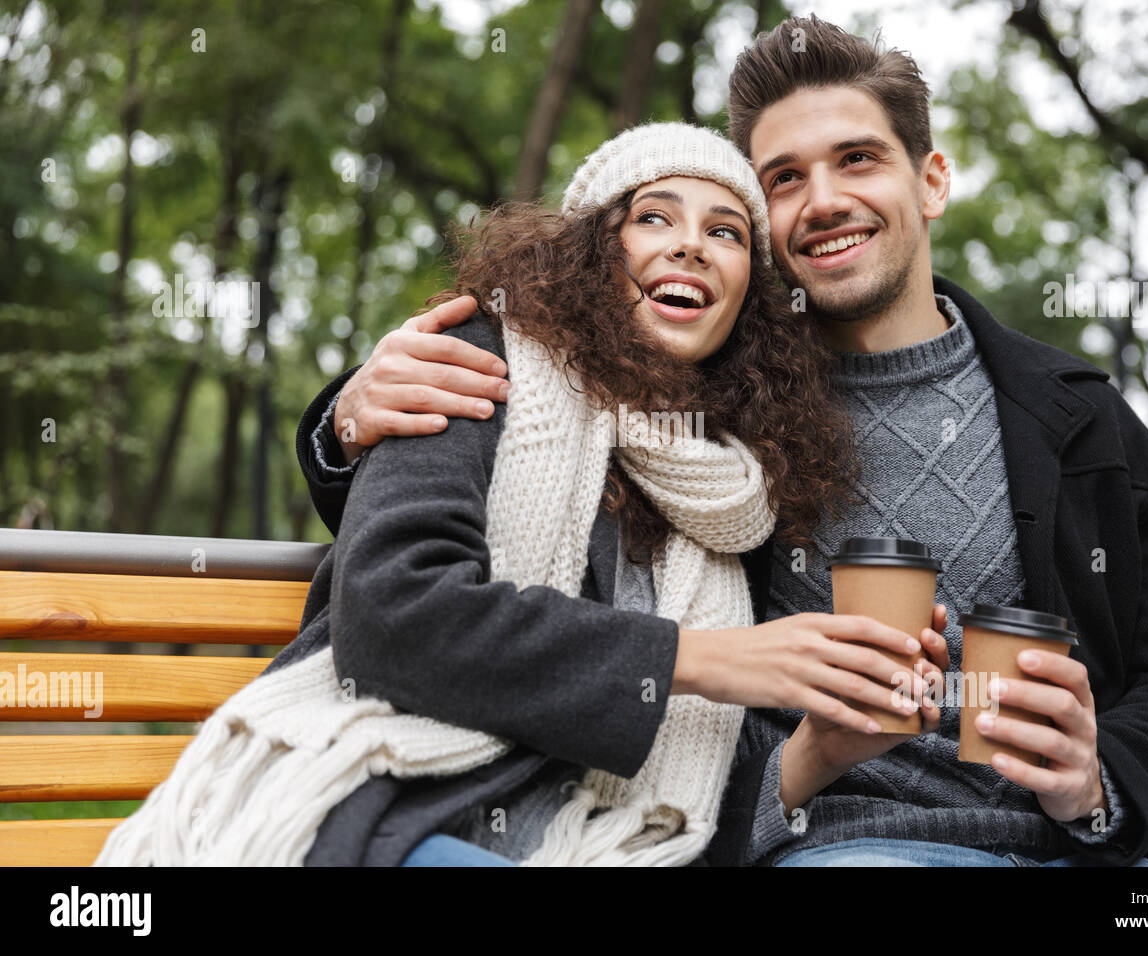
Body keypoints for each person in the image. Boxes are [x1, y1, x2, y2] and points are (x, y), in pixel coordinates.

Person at [299, 16, 1148, 868]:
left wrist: (1095, 786)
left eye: (859, 160)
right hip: (855, 851)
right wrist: (343, 424)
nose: (824, 199)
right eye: (784, 179)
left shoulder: (1075, 416)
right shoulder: (719, 413)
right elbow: (499, 492)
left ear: (932, 179)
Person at [94, 120, 947, 867]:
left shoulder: (736, 499)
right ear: (588, 253)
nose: (691, 244)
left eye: (726, 233)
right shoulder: (478, 364)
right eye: (653, 216)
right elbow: (397, 615)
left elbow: (690, 831)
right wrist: (707, 661)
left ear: (747, 303)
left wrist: (823, 749)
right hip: (377, 813)